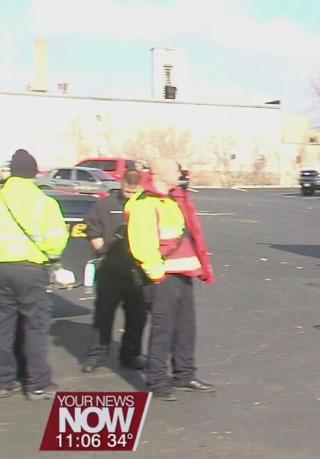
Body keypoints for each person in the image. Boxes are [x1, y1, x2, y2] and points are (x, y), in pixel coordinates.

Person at [126, 158, 215, 402]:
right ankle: (157, 380)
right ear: (161, 174)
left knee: (186, 327)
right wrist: (158, 276)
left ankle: (184, 375)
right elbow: (142, 246)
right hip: (162, 278)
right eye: (176, 170)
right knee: (162, 329)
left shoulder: (172, 199)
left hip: (183, 274)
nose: (180, 174)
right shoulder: (145, 204)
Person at [0, 149, 69, 400]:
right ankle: (37, 383)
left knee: (3, 325)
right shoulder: (44, 202)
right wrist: (52, 258)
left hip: (1, 268)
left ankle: (4, 381)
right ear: (34, 173)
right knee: (34, 326)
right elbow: (56, 241)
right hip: (30, 269)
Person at [81, 170, 147, 373]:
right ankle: (96, 355)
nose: (130, 191)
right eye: (127, 187)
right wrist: (101, 250)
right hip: (109, 270)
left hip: (138, 271)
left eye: (134, 189)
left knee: (137, 317)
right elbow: (92, 228)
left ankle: (130, 355)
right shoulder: (105, 205)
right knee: (103, 315)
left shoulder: (147, 205)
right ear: (121, 183)